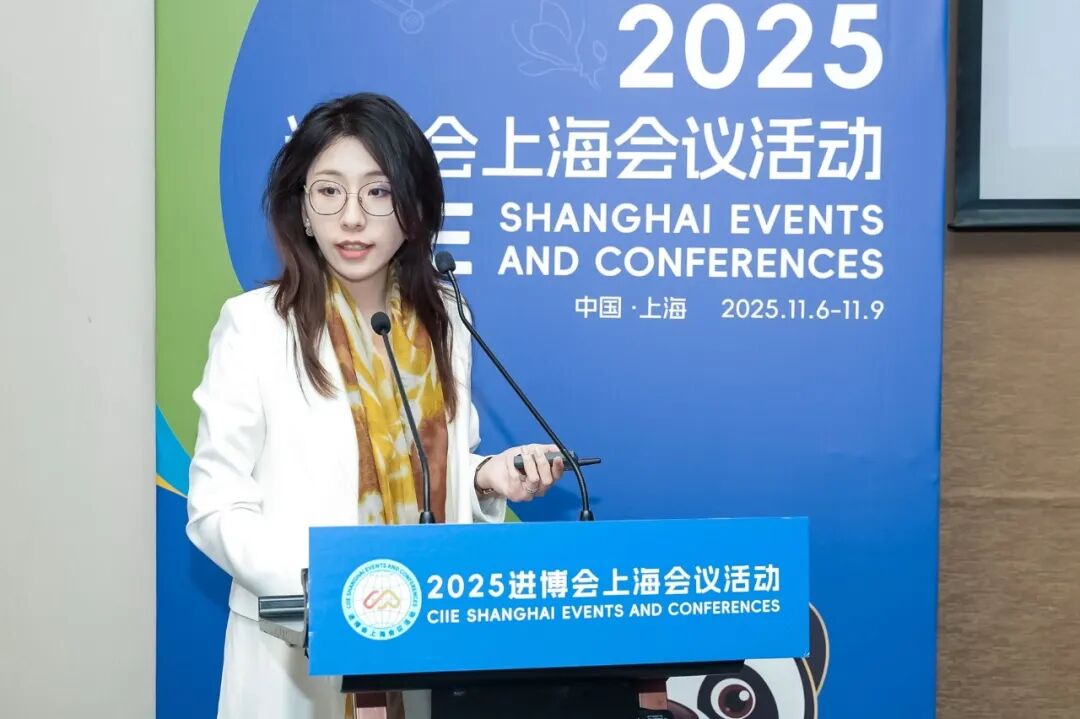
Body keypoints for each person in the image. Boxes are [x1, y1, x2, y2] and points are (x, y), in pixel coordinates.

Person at [185, 92, 566, 719]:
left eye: (378, 192)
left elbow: (426, 466)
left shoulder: (444, 318)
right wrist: (332, 588)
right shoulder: (256, 326)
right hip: (298, 646)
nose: (352, 218)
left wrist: (485, 478)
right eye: (328, 191)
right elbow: (216, 506)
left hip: (420, 640)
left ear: (412, 210)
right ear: (303, 210)